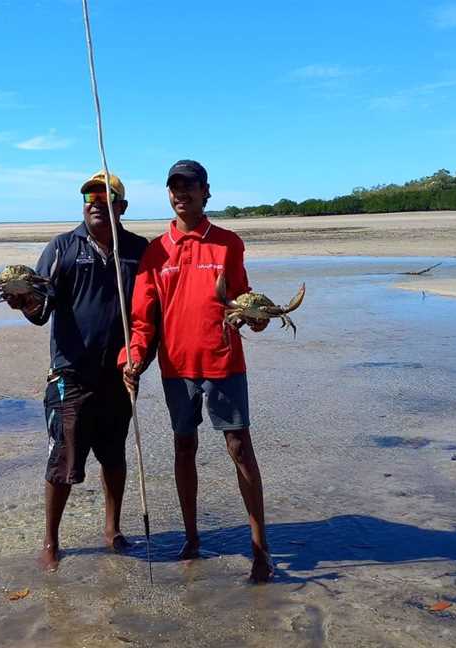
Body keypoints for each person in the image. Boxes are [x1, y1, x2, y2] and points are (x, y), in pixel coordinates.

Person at [120, 160, 274, 582]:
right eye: (174, 186)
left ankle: (261, 548)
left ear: (206, 192)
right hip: (176, 368)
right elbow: (142, 320)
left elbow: (241, 300)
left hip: (224, 362)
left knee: (240, 448)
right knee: (183, 447)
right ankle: (191, 537)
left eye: (189, 186)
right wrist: (131, 359)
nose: (181, 193)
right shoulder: (157, 251)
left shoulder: (228, 243)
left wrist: (255, 317)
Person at [6, 171, 149, 572]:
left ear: (121, 207)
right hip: (70, 375)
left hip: (119, 375)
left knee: (115, 456)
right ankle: (51, 541)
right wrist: (24, 303)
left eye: (106, 198)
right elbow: (41, 311)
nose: (95, 203)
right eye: (89, 196)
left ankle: (113, 529)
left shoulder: (138, 250)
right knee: (62, 461)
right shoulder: (62, 248)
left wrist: (140, 360)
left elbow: (150, 312)